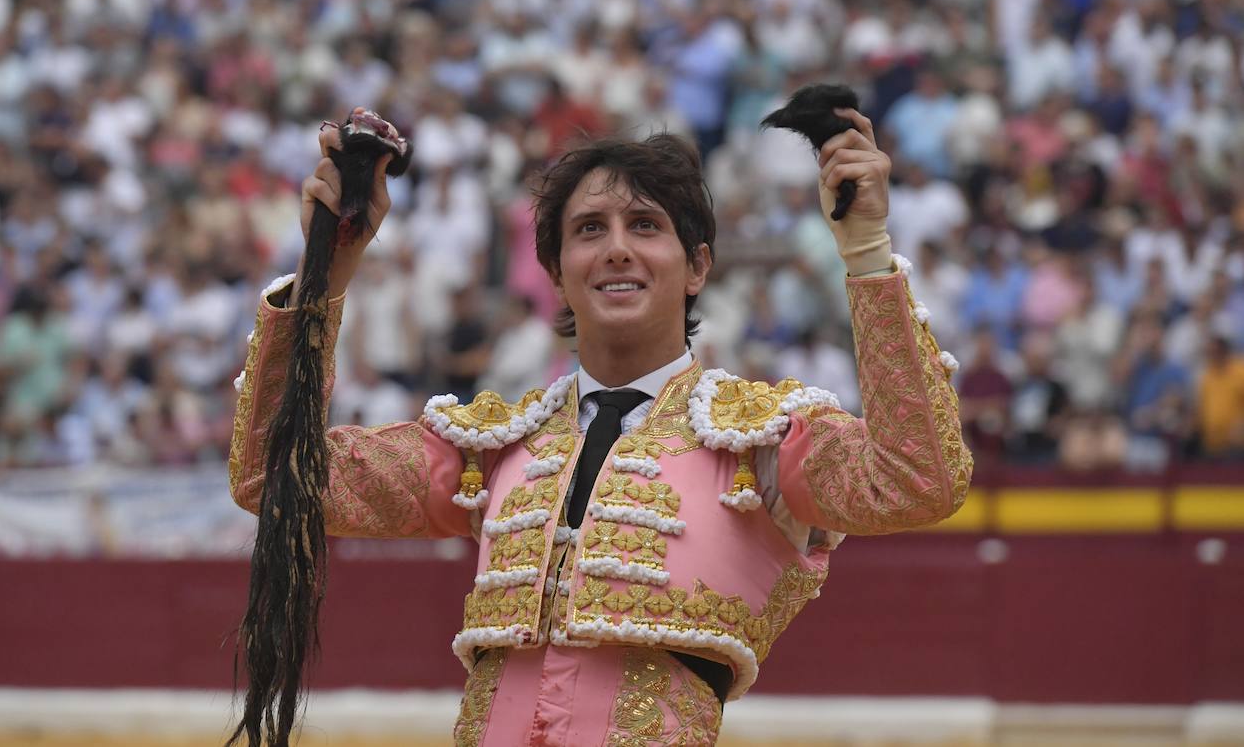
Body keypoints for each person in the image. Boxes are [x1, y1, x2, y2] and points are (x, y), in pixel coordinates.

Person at [228, 110, 971, 744]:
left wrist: (867, 256)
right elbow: (271, 474)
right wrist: (327, 272)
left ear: (697, 266)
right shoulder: (496, 451)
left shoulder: (764, 443)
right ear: (557, 271)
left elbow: (916, 479)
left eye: (644, 226)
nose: (616, 246)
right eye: (590, 229)